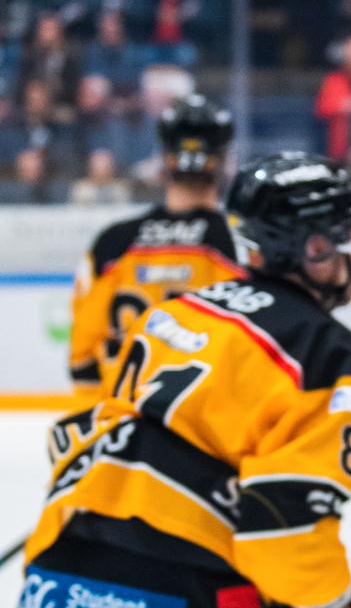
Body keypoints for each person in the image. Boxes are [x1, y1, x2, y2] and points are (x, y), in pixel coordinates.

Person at [0, 151, 351, 608]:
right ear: (316, 248)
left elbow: (90, 434)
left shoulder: (173, 312)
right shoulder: (329, 357)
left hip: (55, 590)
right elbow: (284, 525)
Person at [66, 94, 244, 400]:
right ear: (223, 158)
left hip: (126, 414)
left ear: (165, 157)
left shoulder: (114, 242)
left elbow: (82, 355)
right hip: (208, 416)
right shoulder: (239, 242)